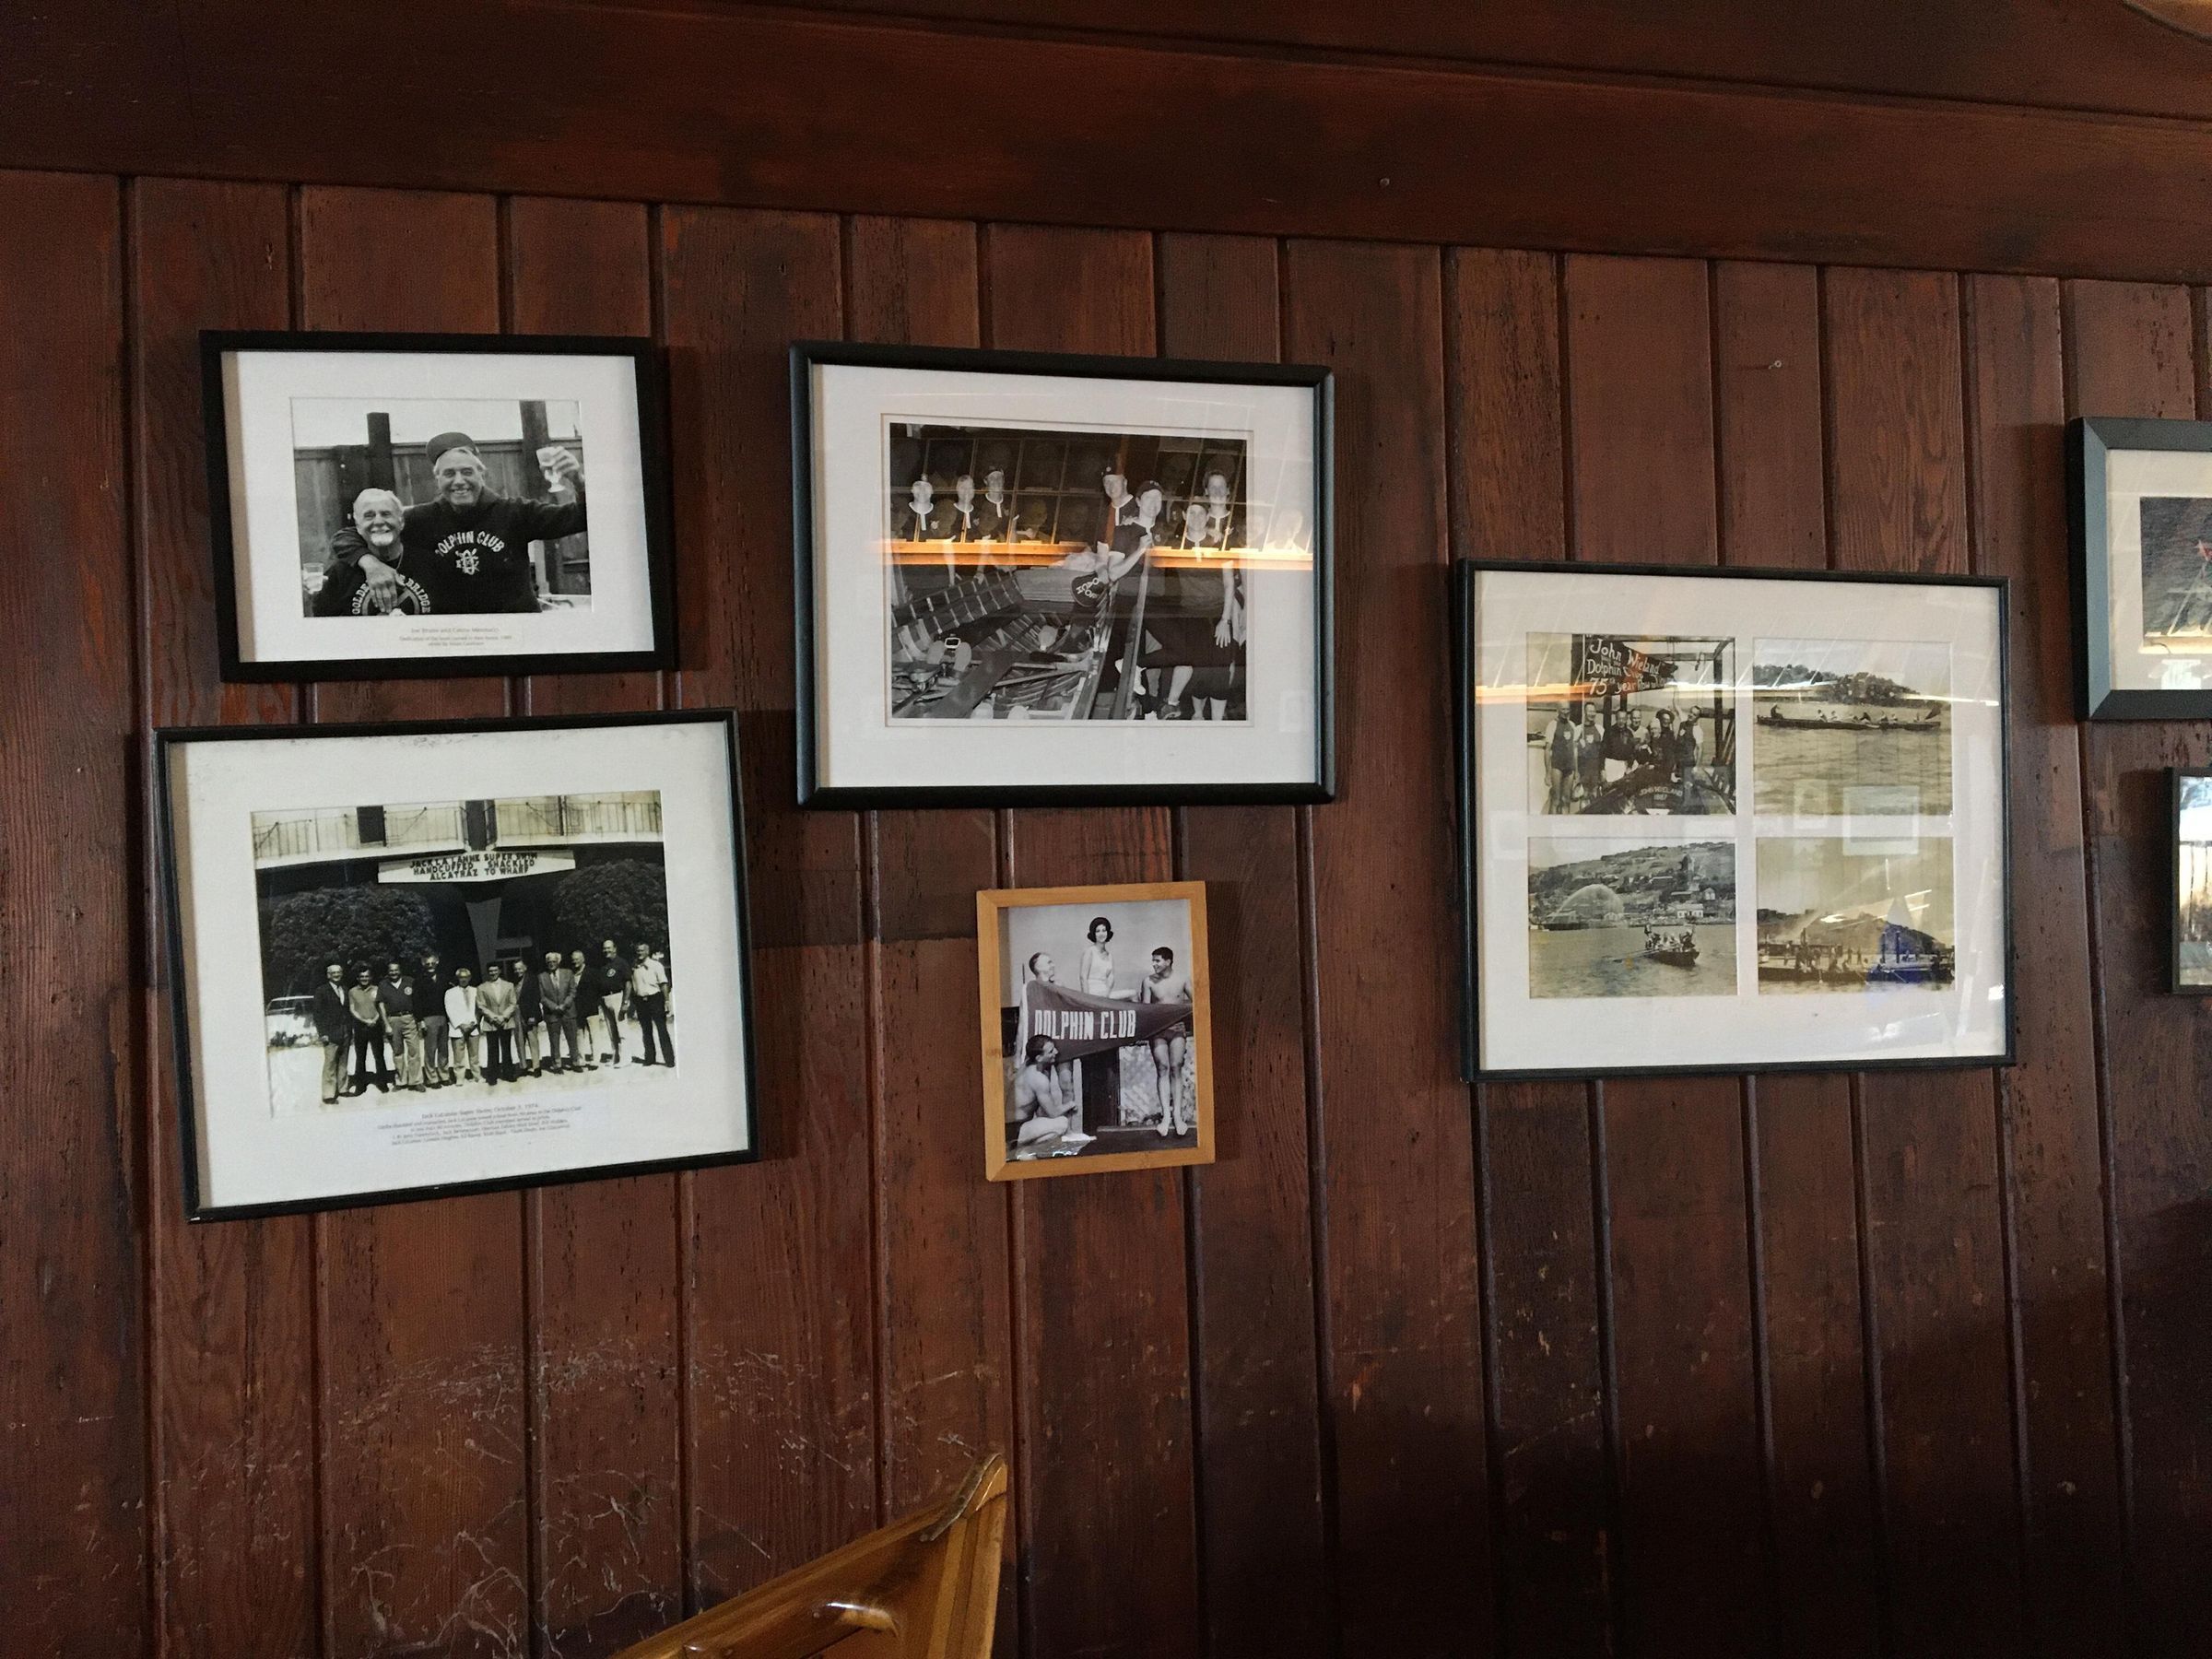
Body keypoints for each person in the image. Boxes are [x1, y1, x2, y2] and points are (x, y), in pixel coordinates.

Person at [336, 429, 587, 615]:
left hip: (516, 630)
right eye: (449, 474)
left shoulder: (516, 513)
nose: (459, 481)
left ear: (482, 474)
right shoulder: (421, 519)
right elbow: (348, 536)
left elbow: (580, 518)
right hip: (453, 636)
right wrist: (371, 564)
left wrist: (577, 479)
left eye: (467, 472)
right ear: (437, 480)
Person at [312, 489, 434, 616]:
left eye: (386, 514)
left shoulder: (432, 566)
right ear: (358, 527)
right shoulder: (340, 573)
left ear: (401, 522)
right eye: (369, 516)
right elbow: (321, 623)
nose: (379, 522)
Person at [1138, 946, 1194, 1135]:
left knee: (1176, 1067)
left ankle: (1178, 1116)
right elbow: (1145, 1010)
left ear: (1168, 961)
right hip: (1158, 1031)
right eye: (1153, 961)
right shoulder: (1148, 982)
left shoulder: (1182, 979)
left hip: (1178, 1029)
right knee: (1162, 1068)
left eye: (1157, 960)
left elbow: (1198, 1003)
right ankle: (1166, 1117)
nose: (1154, 964)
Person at [1010, 1035, 1094, 1154]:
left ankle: (1021, 1148)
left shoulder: (1026, 1067)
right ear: (1039, 1058)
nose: (1056, 1052)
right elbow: (1053, 1113)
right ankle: (1021, 1149)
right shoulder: (1038, 1078)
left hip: (1012, 1126)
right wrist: (1070, 1105)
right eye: (1051, 1051)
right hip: (1015, 1130)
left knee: (1050, 1125)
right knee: (1062, 1123)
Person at [345, 964, 391, 1096]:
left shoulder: (377, 989)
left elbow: (381, 1007)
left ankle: (382, 1083)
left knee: (379, 1056)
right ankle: (360, 1085)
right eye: (362, 977)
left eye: (367, 976)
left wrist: (375, 1019)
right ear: (358, 978)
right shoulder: (352, 991)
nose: (364, 979)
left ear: (370, 977)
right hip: (360, 1026)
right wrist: (365, 1021)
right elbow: (352, 1009)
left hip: (376, 1025)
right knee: (360, 1057)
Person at [312, 960, 349, 1106]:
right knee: (330, 1063)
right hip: (330, 1032)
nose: (336, 975)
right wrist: (323, 1033)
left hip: (345, 1031)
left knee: (343, 1062)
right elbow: (317, 1014)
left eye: (339, 972)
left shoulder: (345, 989)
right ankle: (328, 1094)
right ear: (328, 975)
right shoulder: (321, 991)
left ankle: (343, 1088)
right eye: (333, 973)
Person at [378, 961, 420, 1091]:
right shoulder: (383, 985)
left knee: (414, 1050)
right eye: (391, 970)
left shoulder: (410, 981)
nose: (394, 973)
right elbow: (381, 1006)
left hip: (409, 1018)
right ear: (388, 972)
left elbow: (418, 1000)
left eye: (396, 970)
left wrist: (419, 1020)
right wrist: (386, 1025)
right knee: (397, 1051)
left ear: (400, 970)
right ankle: (401, 1081)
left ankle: (415, 1081)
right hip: (392, 1019)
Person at [536, 949, 582, 1072]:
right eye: (549, 962)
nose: (551, 964)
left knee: (572, 1038)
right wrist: (555, 1007)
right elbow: (542, 997)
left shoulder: (568, 973)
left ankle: (575, 1062)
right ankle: (557, 1064)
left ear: (558, 962)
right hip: (552, 1013)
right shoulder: (542, 977)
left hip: (568, 1011)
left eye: (554, 961)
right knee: (554, 1040)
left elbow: (573, 991)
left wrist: (564, 1005)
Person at [477, 960, 520, 1083]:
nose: (493, 973)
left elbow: (513, 1003)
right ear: (487, 972)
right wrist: (494, 1017)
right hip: (491, 1022)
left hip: (505, 1021)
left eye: (495, 970)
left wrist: (504, 1017)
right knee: (492, 1049)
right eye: (490, 971)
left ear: (499, 971)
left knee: (506, 1048)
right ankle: (492, 1076)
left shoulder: (509, 985)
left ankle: (508, 1073)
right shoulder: (482, 987)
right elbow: (481, 1006)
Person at [629, 942, 673, 1066]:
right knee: (646, 1031)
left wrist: (667, 1001)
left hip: (655, 999)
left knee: (662, 1030)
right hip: (641, 1001)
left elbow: (663, 984)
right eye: (638, 951)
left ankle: (669, 1060)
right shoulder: (634, 967)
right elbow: (633, 986)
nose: (640, 953)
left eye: (642, 950)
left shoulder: (656, 965)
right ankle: (649, 1058)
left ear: (647, 952)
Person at [411, 949, 449, 1088]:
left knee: (443, 1049)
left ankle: (444, 1075)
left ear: (437, 962)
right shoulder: (419, 980)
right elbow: (416, 1002)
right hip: (428, 1018)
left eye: (433, 963)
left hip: (443, 1017)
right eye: (427, 964)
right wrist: (420, 1021)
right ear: (423, 964)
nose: (430, 966)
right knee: (430, 1050)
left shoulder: (444, 978)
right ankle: (432, 1078)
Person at [588, 938, 629, 1065]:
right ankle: (615, 1057)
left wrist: (625, 1002)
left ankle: (626, 1058)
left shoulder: (621, 963)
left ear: (615, 948)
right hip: (605, 998)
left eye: (609, 948)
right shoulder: (603, 965)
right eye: (604, 948)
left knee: (621, 1029)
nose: (606, 950)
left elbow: (628, 983)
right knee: (611, 1030)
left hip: (618, 997)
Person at [442, 966, 482, 1083]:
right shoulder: (450, 992)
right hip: (458, 1028)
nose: (463, 979)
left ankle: (477, 1075)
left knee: (474, 1055)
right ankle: (460, 1077)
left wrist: (474, 1023)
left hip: (473, 1027)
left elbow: (479, 1009)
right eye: (461, 977)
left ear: (470, 978)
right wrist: (461, 1024)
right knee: (458, 1055)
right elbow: (449, 1010)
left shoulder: (476, 991)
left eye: (466, 977)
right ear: (457, 978)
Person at [569, 949, 600, 1070]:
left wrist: (595, 1003)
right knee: (579, 1035)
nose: (575, 961)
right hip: (577, 1010)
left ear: (583, 959)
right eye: (573, 959)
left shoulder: (592, 972)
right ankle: (580, 1059)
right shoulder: (571, 974)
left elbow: (598, 989)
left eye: (577, 959)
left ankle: (595, 1060)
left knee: (594, 1035)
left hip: (591, 1008)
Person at [1544, 705, 1579, 812]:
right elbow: (1547, 750)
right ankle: (1552, 821)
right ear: (1558, 710)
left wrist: (1576, 771)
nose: (1566, 712)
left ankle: (1565, 821)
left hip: (1569, 766)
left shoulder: (1572, 725)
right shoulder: (1552, 725)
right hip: (1557, 766)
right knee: (1556, 800)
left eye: (1568, 709)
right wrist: (1547, 773)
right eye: (1563, 709)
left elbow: (1574, 750)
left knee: (1566, 800)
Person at [516, 956, 545, 1077]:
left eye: (520, 968)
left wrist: (533, 1016)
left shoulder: (532, 979)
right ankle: (523, 1066)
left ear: (525, 968)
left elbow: (536, 998)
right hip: (517, 1015)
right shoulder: (513, 981)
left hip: (530, 1014)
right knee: (519, 1041)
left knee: (533, 1041)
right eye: (515, 969)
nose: (517, 971)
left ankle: (536, 1066)